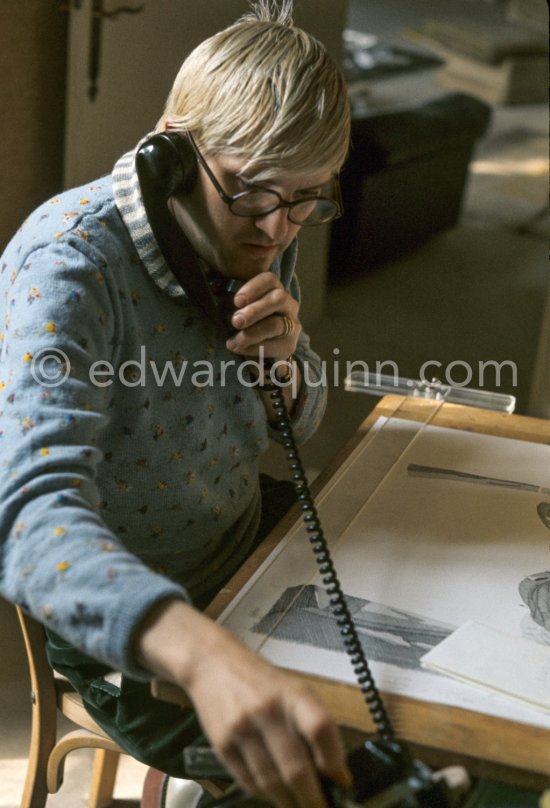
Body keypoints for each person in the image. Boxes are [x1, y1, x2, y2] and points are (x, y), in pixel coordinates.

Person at [0, 2, 351, 806]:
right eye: (254, 193)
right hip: (131, 633)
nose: (278, 228)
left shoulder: (264, 226)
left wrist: (289, 367)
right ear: (170, 145)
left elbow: (302, 422)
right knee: (330, 767)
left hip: (247, 545)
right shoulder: (71, 267)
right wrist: (200, 656)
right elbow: (25, 520)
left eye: (308, 199)